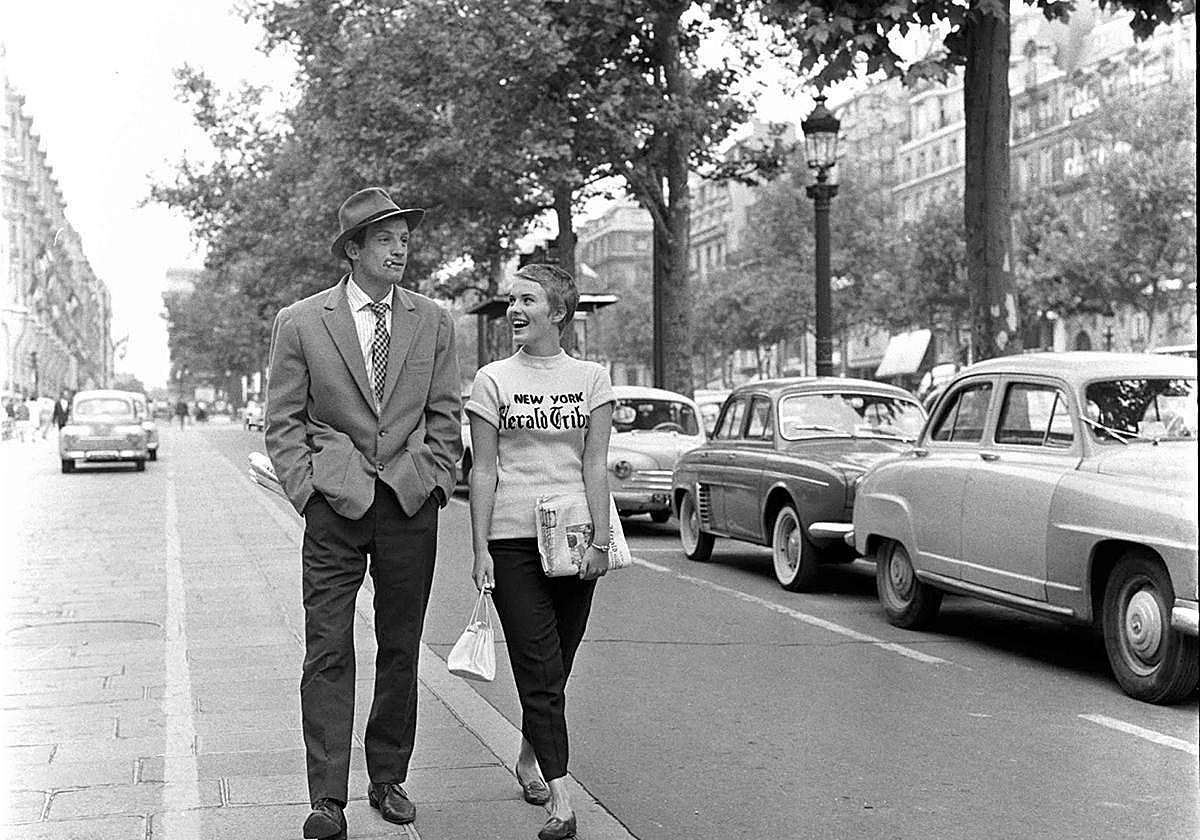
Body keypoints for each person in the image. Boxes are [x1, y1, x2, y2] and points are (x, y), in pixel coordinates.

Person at [265, 186, 462, 840]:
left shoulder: (433, 321)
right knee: (327, 648)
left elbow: (446, 417)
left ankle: (388, 777)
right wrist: (308, 493)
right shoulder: (301, 322)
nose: (400, 249)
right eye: (385, 239)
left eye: (404, 239)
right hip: (335, 506)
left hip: (408, 504)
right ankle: (327, 798)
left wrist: (434, 482)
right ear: (352, 250)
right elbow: (283, 421)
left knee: (401, 647)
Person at [465, 264, 615, 840]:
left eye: (527, 300)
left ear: (558, 312)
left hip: (574, 541)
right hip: (512, 541)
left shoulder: (591, 379)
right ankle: (562, 798)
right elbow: (482, 469)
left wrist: (601, 541)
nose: (514, 310)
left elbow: (594, 463)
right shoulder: (492, 380)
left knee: (559, 664)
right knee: (538, 665)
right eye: (512, 300)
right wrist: (479, 548)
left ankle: (529, 759)